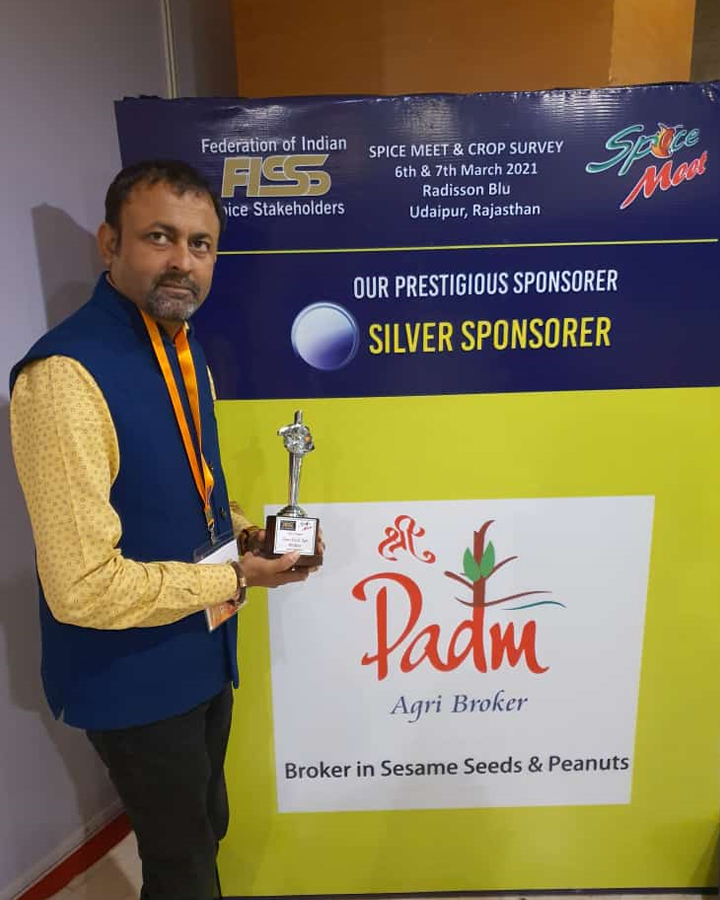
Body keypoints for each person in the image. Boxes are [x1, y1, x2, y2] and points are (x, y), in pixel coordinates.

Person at [9, 159, 321, 900]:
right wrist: (236, 575)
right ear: (109, 243)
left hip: (201, 650)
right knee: (181, 867)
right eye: (160, 237)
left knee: (204, 829)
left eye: (201, 244)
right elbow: (82, 588)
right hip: (130, 678)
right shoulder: (63, 378)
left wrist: (250, 536)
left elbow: (193, 491)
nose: (184, 260)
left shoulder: (182, 348)